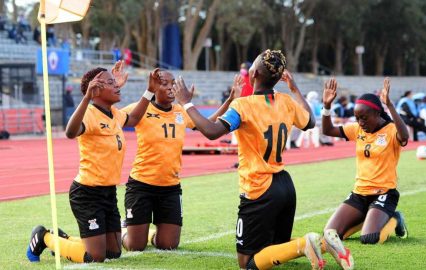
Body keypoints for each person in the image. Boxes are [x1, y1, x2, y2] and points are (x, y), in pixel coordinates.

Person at [173, 49, 354, 270]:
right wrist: (295, 88)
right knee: (274, 249)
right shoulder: (286, 101)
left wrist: (186, 103)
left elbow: (211, 131)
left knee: (247, 263)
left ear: (255, 73)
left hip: (258, 188)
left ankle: (307, 242)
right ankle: (326, 244)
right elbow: (309, 122)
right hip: (285, 185)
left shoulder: (243, 106)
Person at [26, 60, 156, 263]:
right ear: (95, 89)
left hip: (108, 192)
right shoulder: (89, 113)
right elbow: (70, 132)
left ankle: (65, 239)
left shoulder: (114, 113)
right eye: (110, 82)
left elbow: (135, 118)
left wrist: (149, 91)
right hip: (87, 193)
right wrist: (87, 98)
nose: (117, 85)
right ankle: (45, 237)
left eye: (115, 82)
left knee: (113, 253)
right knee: (95, 257)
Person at [120, 71, 242, 251]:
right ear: (154, 86)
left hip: (170, 187)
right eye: (164, 84)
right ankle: (122, 229)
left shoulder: (181, 111)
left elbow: (207, 124)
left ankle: (150, 233)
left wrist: (230, 100)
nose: (170, 87)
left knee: (168, 245)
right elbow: (115, 118)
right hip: (141, 185)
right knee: (135, 246)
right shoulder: (140, 108)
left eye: (173, 83)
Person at [321, 78, 409, 246]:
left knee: (369, 239)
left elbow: (404, 136)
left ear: (377, 113)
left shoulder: (391, 131)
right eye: (357, 118)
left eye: (364, 118)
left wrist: (389, 105)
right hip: (359, 194)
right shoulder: (358, 129)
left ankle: (395, 219)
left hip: (384, 193)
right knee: (330, 236)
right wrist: (326, 106)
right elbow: (327, 130)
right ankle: (369, 216)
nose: (361, 122)